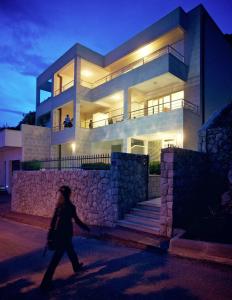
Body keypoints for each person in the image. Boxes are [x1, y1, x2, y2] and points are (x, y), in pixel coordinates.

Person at [40, 185, 90, 291]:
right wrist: (85, 227)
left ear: (62, 195)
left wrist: (50, 236)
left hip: (61, 236)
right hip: (64, 236)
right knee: (55, 260)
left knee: (70, 250)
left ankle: (76, 266)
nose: (60, 195)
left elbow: (53, 222)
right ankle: (45, 284)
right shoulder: (70, 207)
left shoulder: (59, 206)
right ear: (69, 195)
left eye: (61, 194)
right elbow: (76, 220)